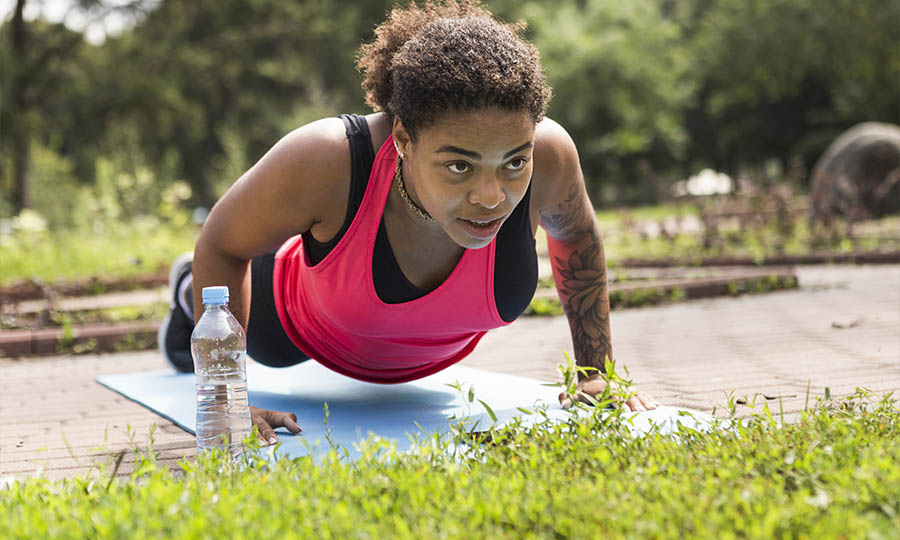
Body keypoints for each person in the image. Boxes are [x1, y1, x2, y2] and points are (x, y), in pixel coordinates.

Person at [158, 0, 658, 446]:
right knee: (215, 292)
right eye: (459, 165)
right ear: (402, 139)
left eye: (513, 163)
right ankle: (183, 287)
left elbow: (576, 234)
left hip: (421, 359)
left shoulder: (550, 157)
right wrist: (224, 398)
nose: (491, 197)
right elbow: (223, 243)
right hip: (293, 327)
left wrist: (595, 373)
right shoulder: (329, 158)